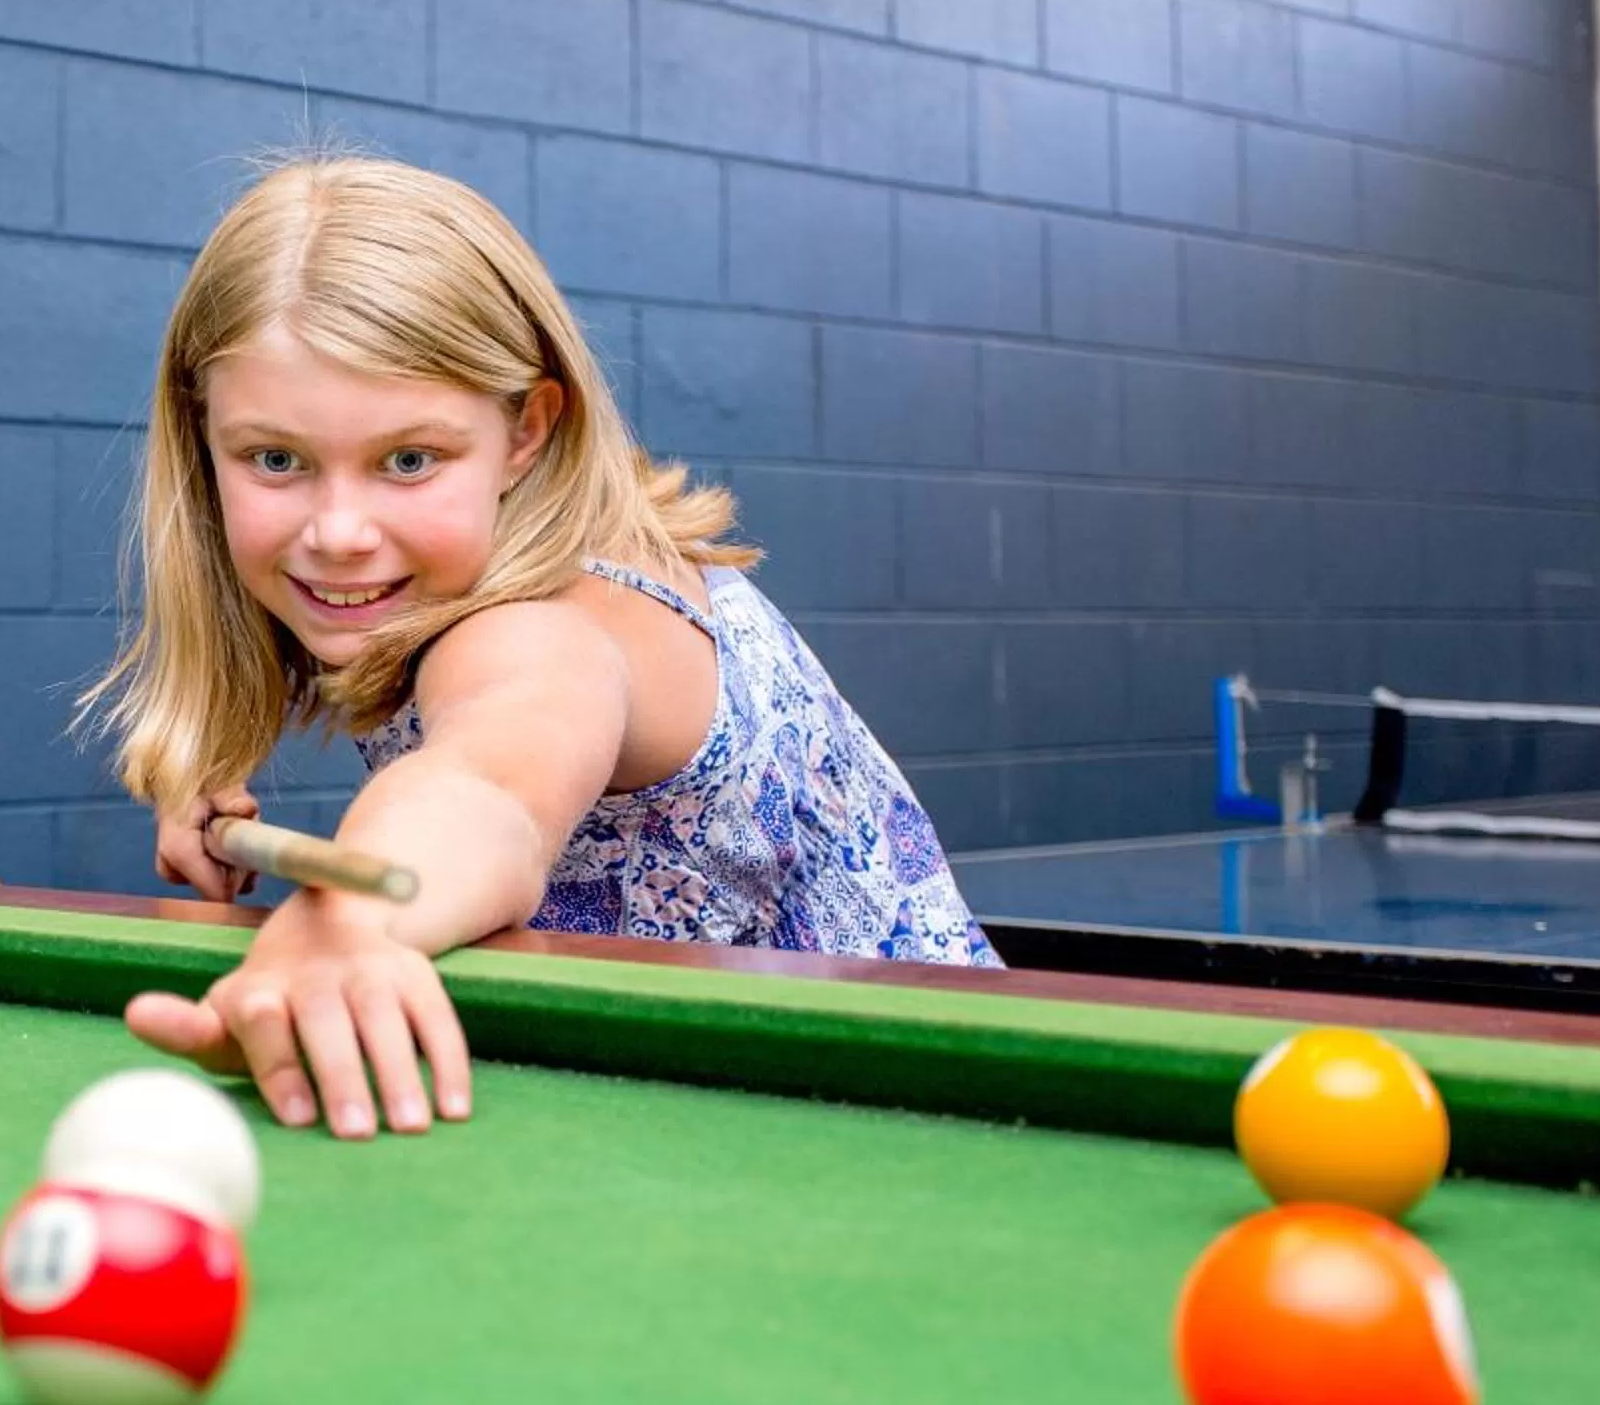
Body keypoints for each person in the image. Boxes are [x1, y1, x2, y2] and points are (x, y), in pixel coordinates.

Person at [85, 153, 994, 1141]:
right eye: (276, 458)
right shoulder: (451, 558)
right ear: (204, 437)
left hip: (924, 1119)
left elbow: (492, 788)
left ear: (526, 430)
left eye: (408, 458)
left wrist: (344, 922)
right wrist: (208, 765)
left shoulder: (544, 625)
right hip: (776, 1113)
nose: (339, 529)